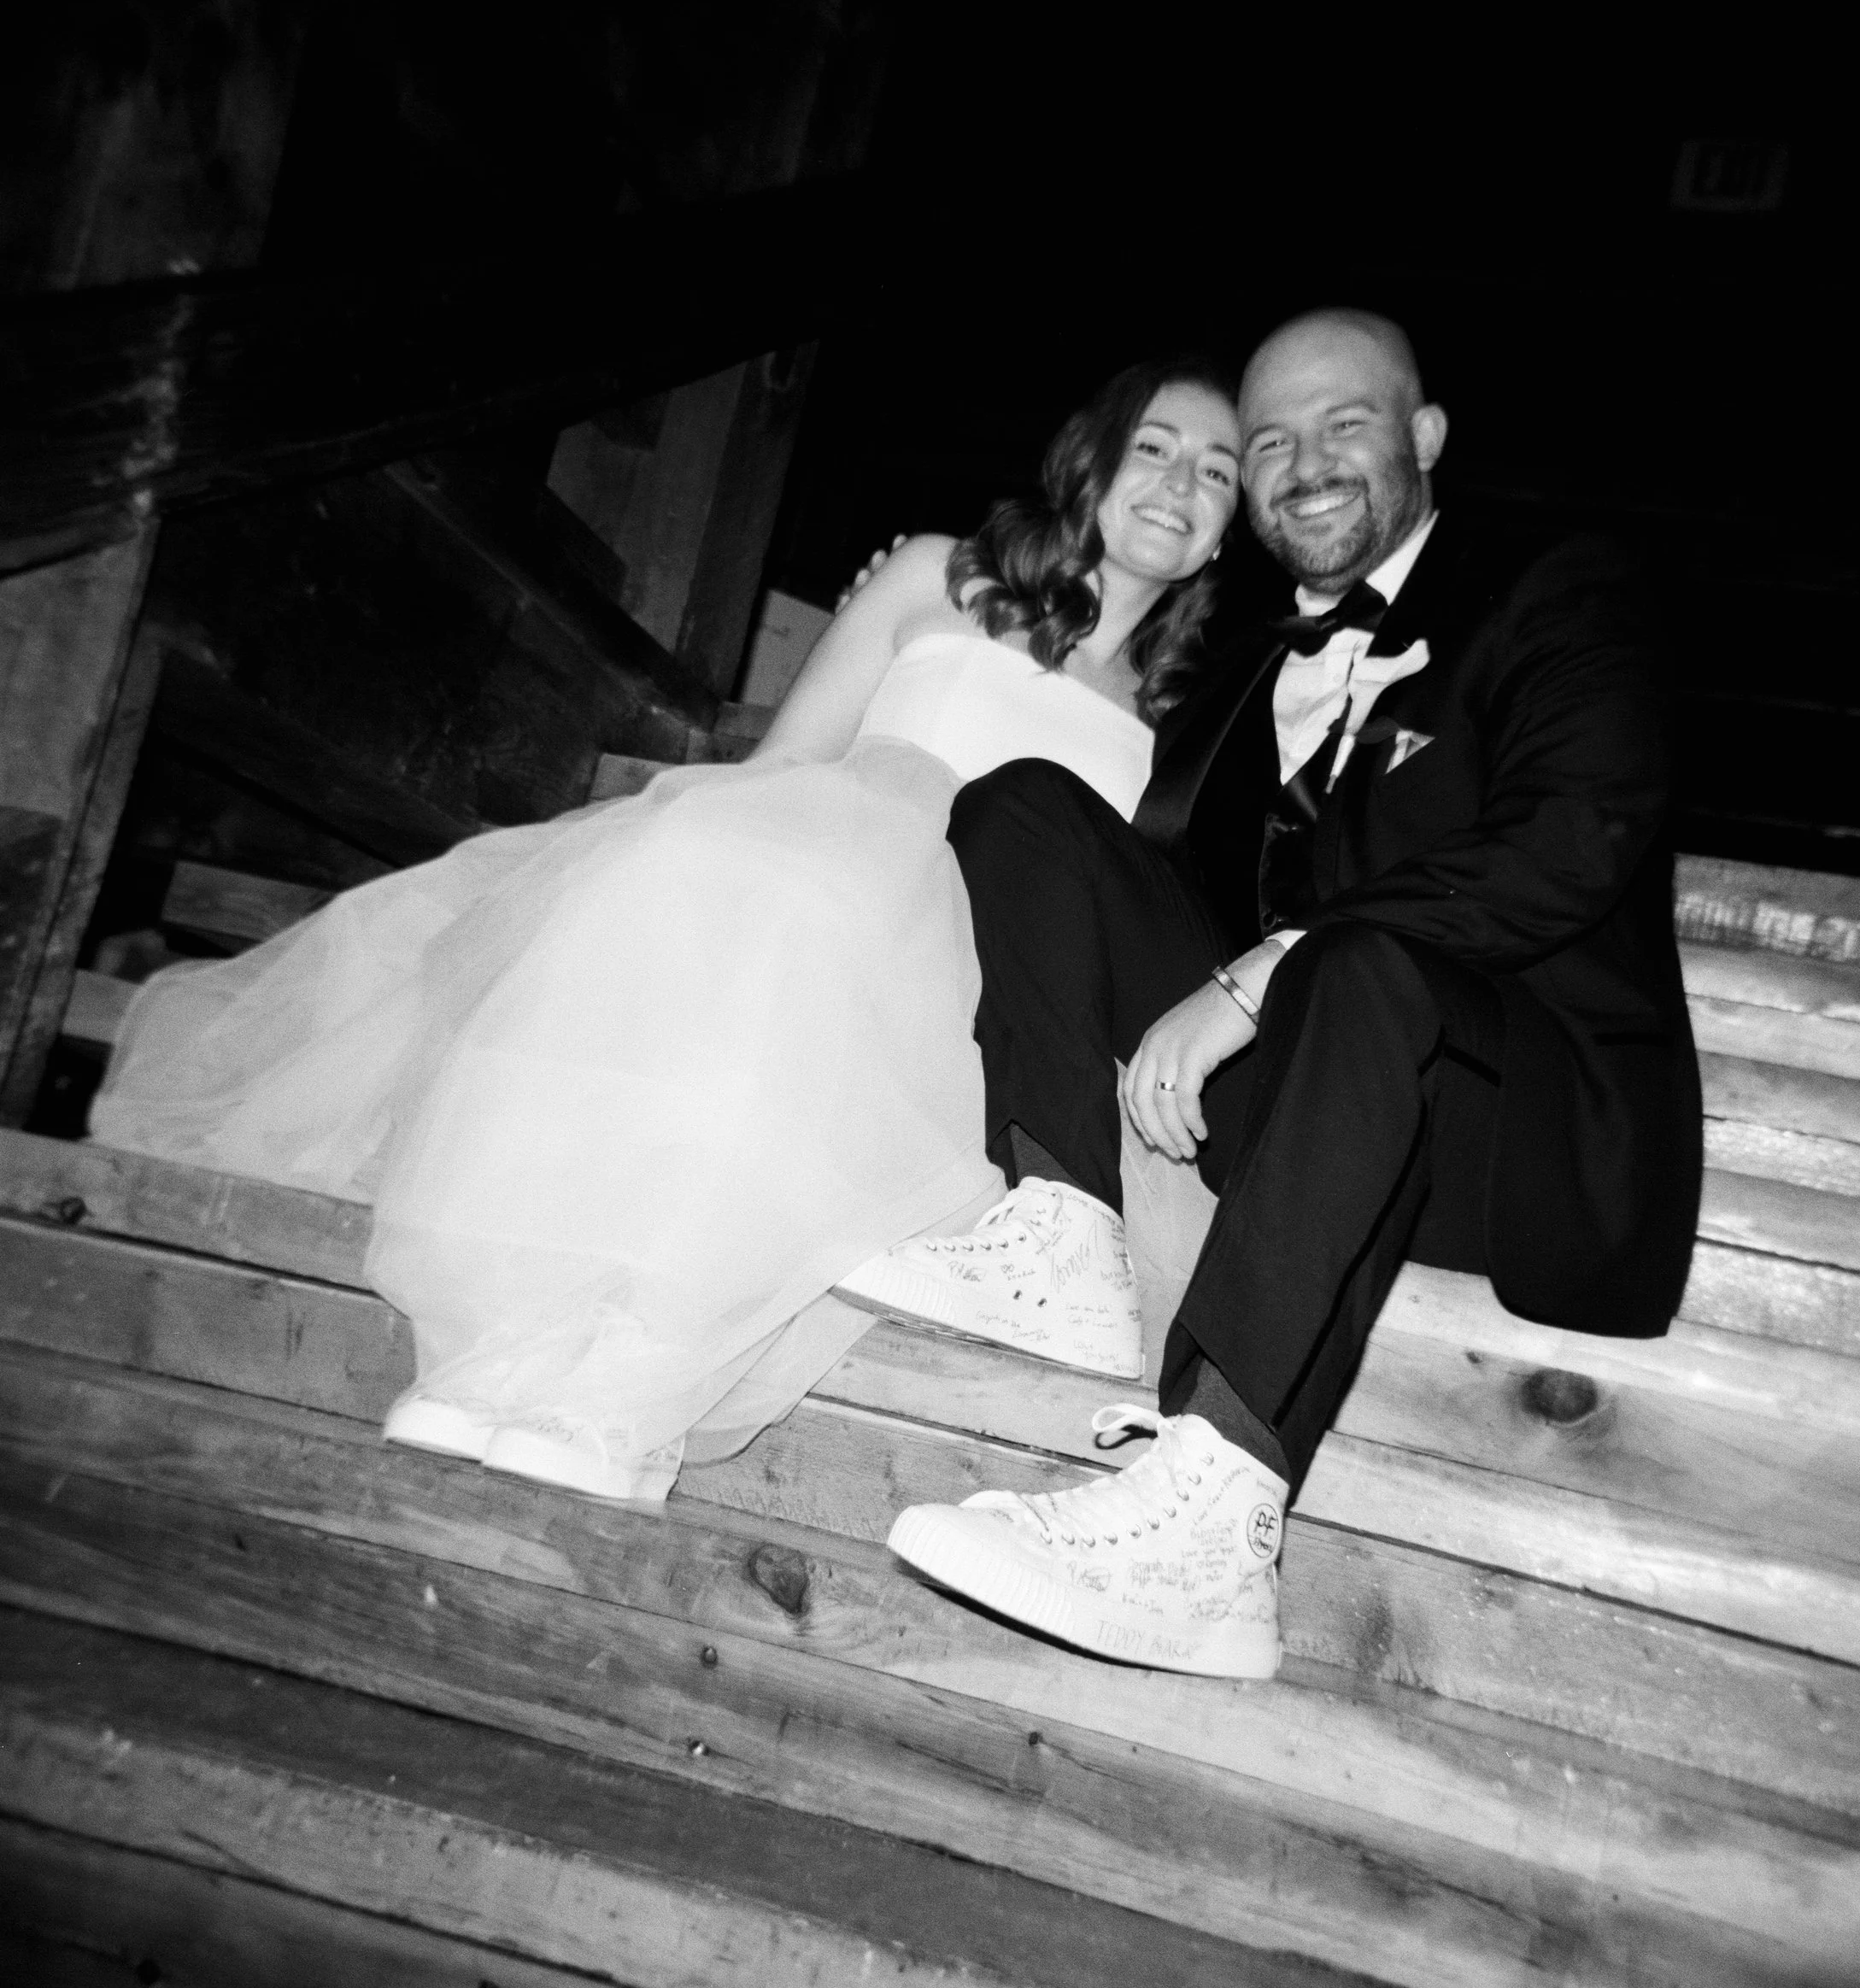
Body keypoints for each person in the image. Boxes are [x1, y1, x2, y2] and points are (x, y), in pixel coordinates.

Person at [91, 357, 1243, 1503]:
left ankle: (624, 1391)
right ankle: (508, 1355)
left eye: (1218, 469)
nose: (1181, 481)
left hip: (976, 987)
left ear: (1227, 530)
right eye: (1155, 446)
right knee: (721, 882)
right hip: (820, 877)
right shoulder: (942, 577)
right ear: (1090, 459)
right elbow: (788, 760)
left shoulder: (1181, 732)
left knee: (838, 983)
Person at [839, 308, 1704, 1679]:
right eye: (1275, 442)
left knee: (1358, 961)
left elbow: (1567, 848)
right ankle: (1061, 1223)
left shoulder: (1559, 590)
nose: (1304, 463)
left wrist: (1266, 967)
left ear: (1423, 438)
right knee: (1028, 809)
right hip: (1294, 1108)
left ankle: (1218, 1508)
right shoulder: (1239, 667)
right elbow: (1142, 888)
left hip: (1512, 1126)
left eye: (1344, 425)